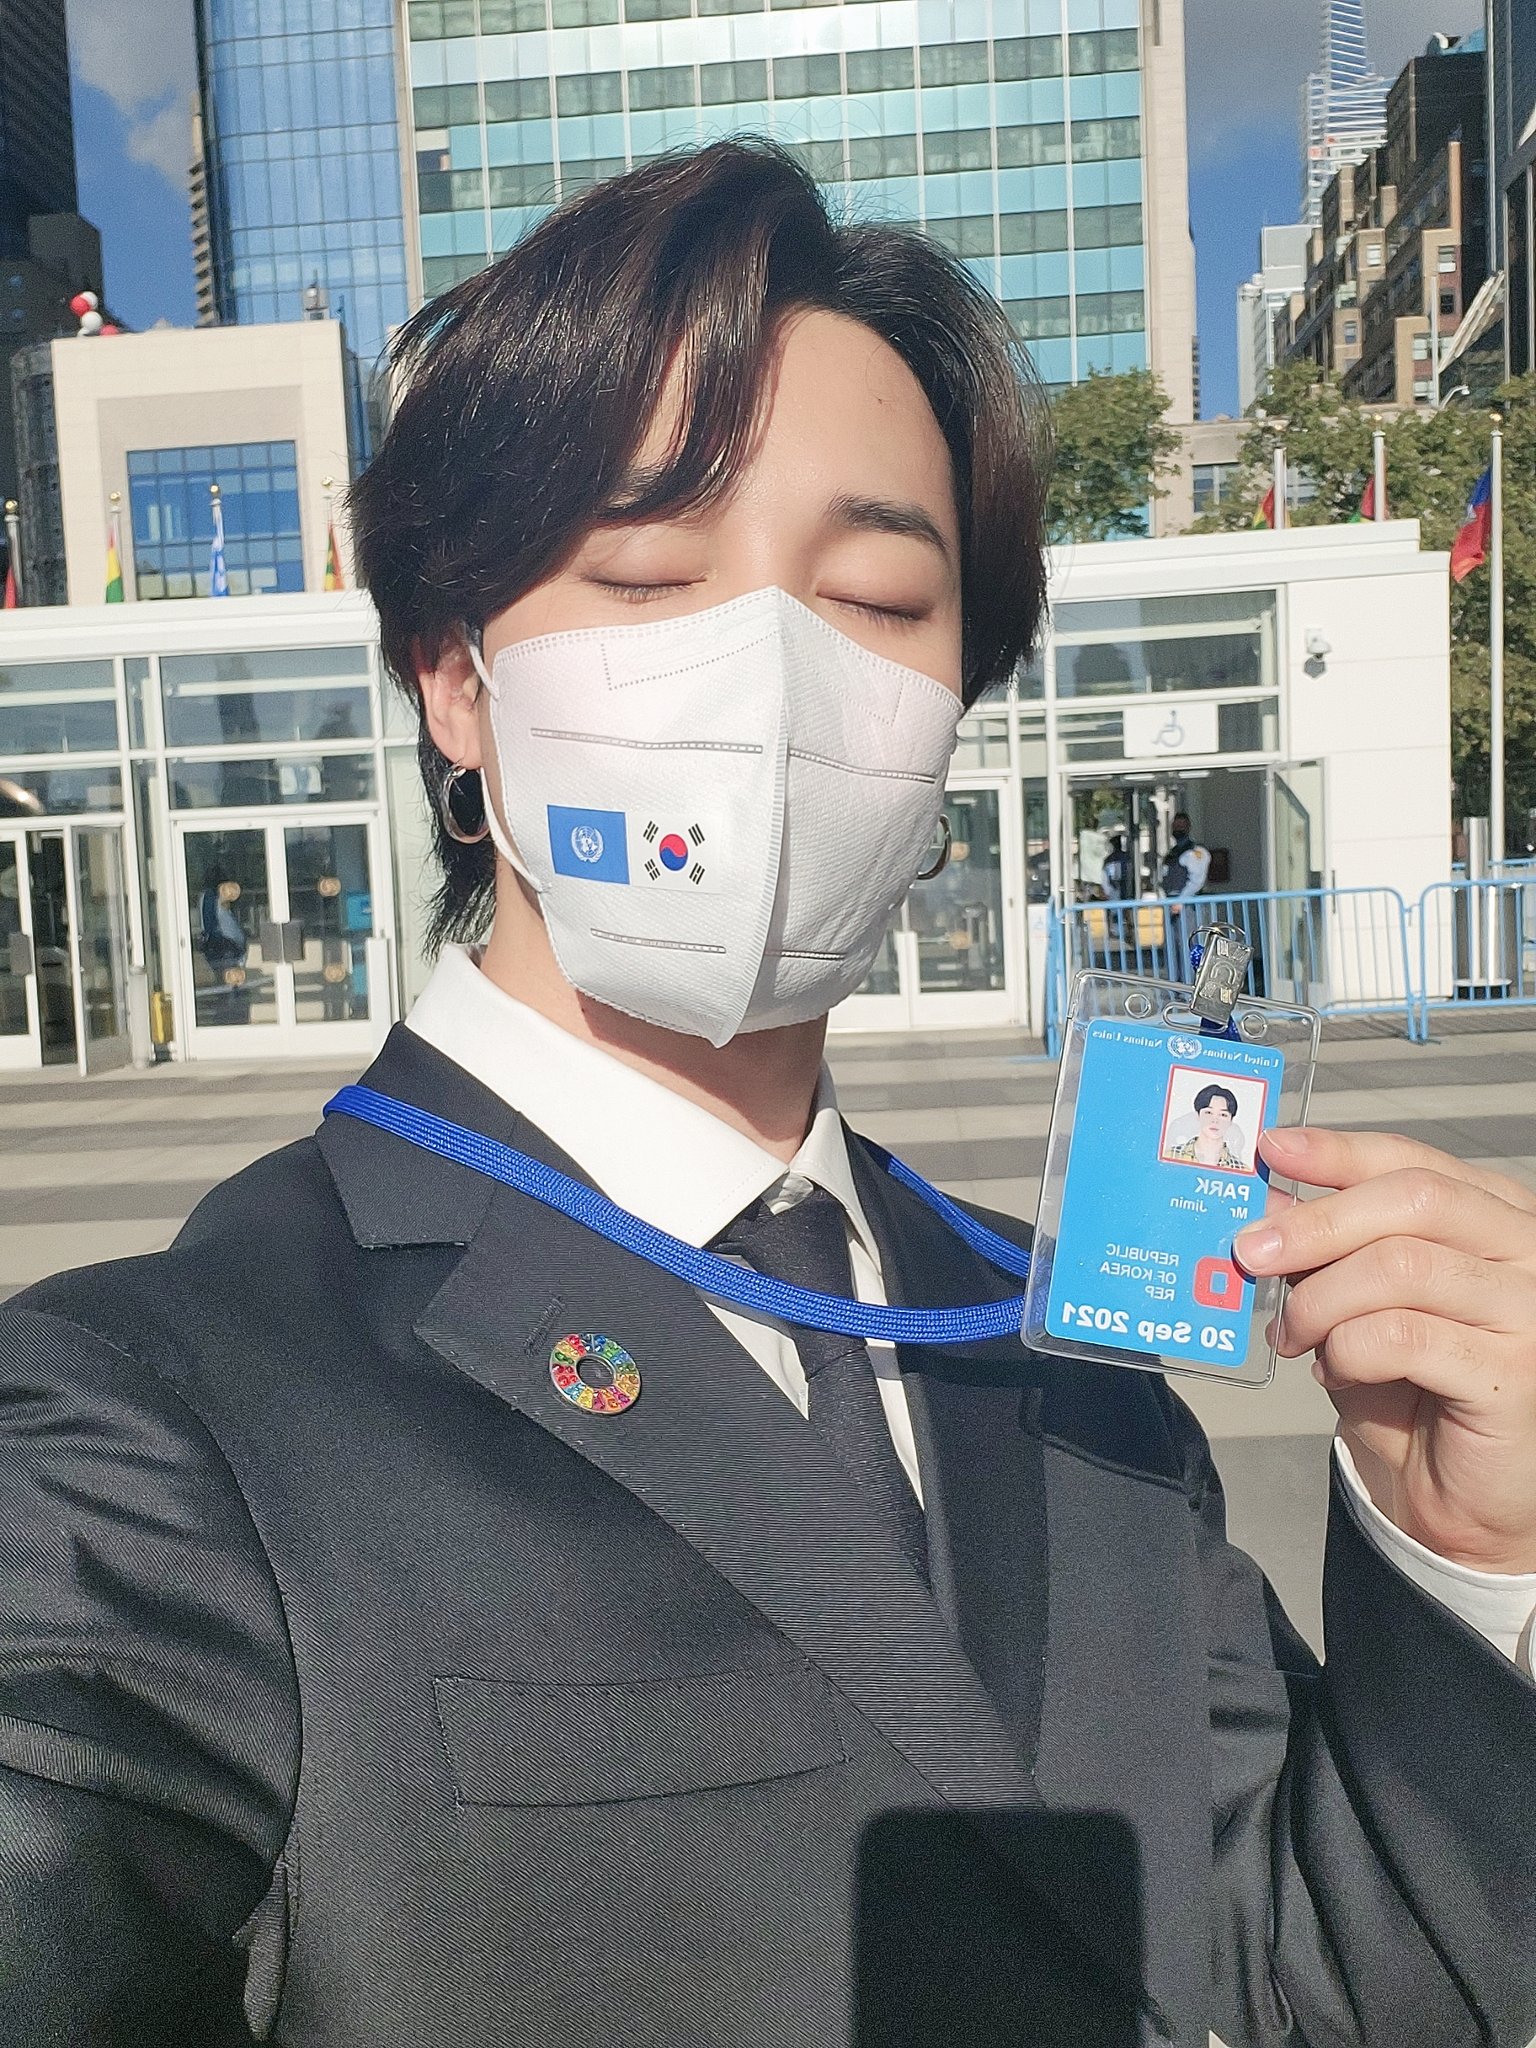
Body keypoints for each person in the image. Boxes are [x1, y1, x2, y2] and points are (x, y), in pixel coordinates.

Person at [2, 143, 1535, 2048]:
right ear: (456, 681)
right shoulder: (151, 1411)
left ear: (956, 702)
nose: (773, 673)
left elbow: (1301, 1979)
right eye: (648, 574)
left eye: (878, 593)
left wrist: (1468, 1556)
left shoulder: (1063, 1339)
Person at [1165, 1082, 1246, 1170]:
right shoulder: (1170, 1156)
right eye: (1208, 1112)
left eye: (1223, 1115)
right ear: (1197, 1116)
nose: (1215, 1120)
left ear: (1231, 1120)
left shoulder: (1241, 1169)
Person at [1161, 811, 1211, 899]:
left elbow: (1197, 881)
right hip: (1170, 900)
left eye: (1181, 827)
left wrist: (1182, 899)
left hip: (1188, 901)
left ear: (1188, 828)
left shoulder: (1195, 851)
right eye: (1175, 827)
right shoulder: (1171, 854)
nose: (1178, 830)